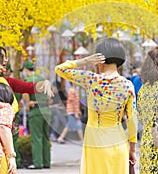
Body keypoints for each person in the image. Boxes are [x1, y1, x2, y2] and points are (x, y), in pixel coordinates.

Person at [55, 38, 137, 173]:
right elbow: (132, 119)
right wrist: (132, 149)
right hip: (118, 141)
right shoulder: (128, 85)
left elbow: (60, 69)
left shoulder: (91, 80)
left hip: (95, 141)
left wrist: (85, 61)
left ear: (99, 60)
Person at [21, 61, 51, 169]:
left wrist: (28, 103)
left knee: (37, 137)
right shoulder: (43, 79)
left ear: (25, 69)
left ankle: (38, 163)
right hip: (46, 110)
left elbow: (24, 93)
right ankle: (47, 162)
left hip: (36, 111)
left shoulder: (28, 81)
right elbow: (49, 96)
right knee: (46, 137)